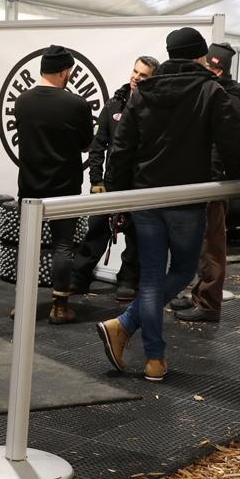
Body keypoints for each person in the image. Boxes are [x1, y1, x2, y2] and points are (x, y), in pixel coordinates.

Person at [97, 27, 240, 382]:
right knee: (181, 271)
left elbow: (122, 149)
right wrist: (235, 178)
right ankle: (128, 330)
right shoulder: (211, 91)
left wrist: (118, 195)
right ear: (199, 55)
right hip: (186, 199)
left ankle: (153, 357)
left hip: (146, 197)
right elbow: (231, 141)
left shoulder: (144, 92)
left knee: (150, 279)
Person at [14, 45, 93, 324]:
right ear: (63, 72)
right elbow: (86, 143)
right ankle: (59, 307)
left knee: (28, 247)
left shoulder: (22, 101)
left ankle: (22, 305)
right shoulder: (77, 104)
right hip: (64, 187)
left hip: (30, 186)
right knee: (62, 247)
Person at [70, 56, 159, 300]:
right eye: (135, 71)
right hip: (110, 183)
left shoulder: (156, 110)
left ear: (153, 80)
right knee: (97, 229)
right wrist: (96, 181)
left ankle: (128, 280)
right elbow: (97, 146)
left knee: (137, 235)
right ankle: (78, 278)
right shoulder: (113, 104)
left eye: (143, 75)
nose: (136, 77)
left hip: (140, 184)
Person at [172, 42, 240, 322]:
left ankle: (207, 303)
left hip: (213, 179)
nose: (208, 70)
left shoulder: (230, 95)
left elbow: (225, 138)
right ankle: (198, 294)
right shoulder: (210, 90)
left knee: (211, 246)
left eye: (213, 66)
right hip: (198, 176)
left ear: (220, 69)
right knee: (198, 244)